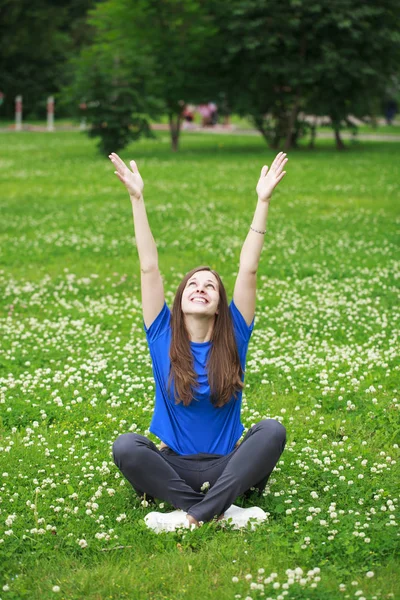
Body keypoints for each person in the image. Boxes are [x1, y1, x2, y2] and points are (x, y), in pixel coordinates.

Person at [109, 150, 288, 532]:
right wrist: (137, 199)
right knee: (126, 445)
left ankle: (189, 515)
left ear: (222, 305)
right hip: (174, 464)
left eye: (210, 286)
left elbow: (249, 268)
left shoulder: (235, 334)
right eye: (193, 283)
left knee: (271, 430)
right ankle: (220, 511)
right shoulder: (161, 332)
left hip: (228, 463)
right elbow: (148, 266)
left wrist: (263, 202)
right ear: (180, 299)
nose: (201, 288)